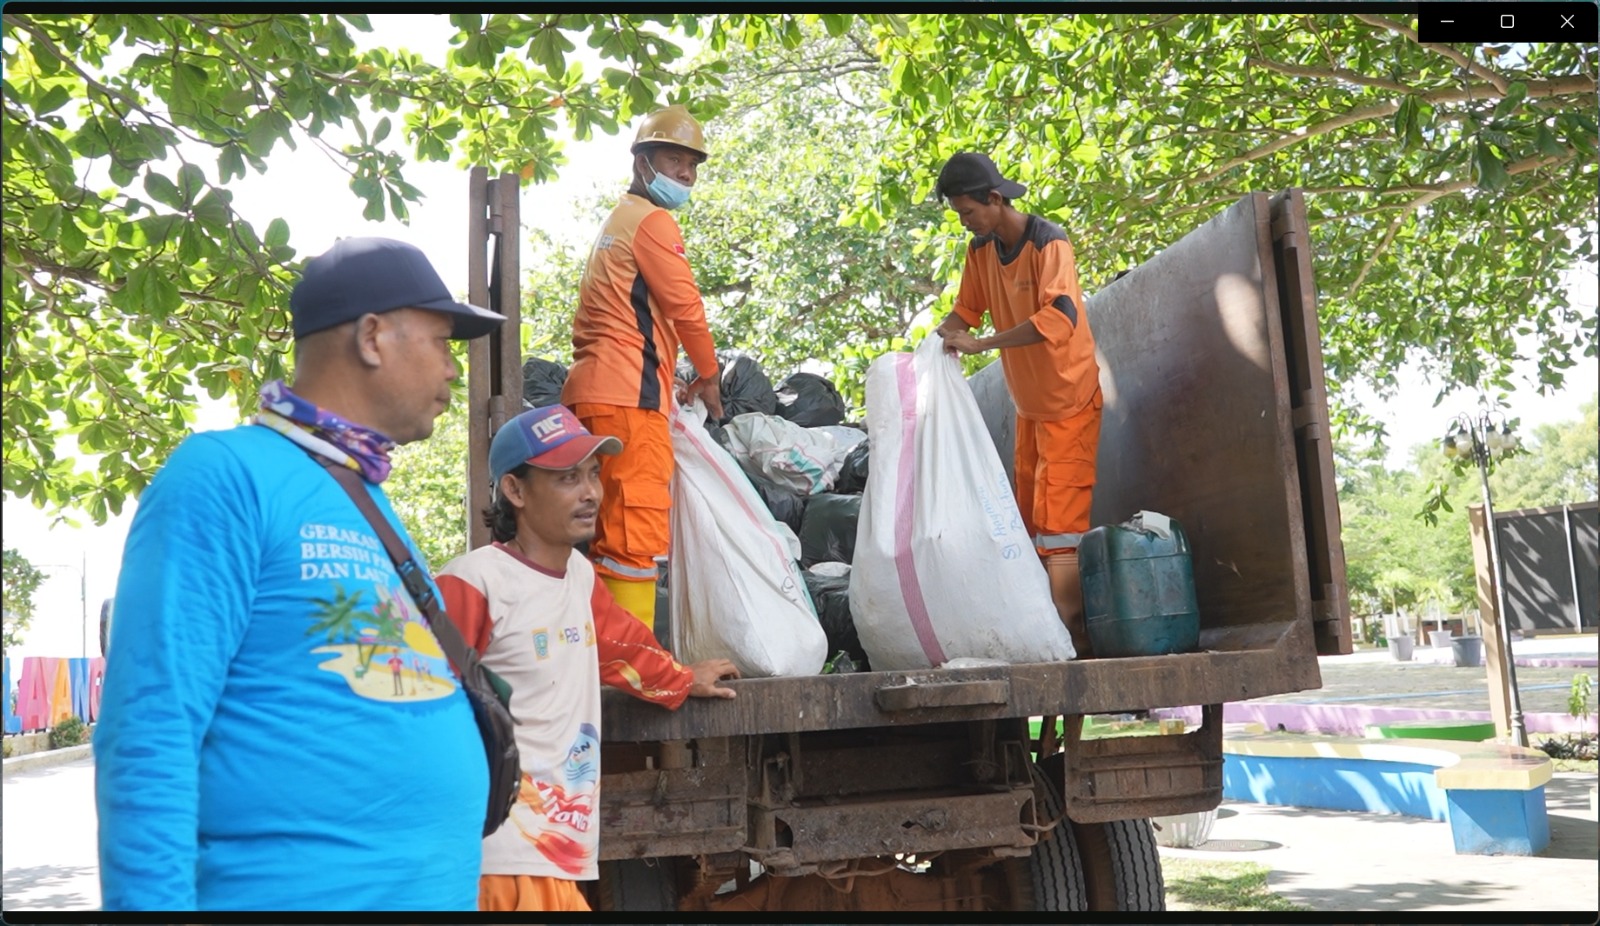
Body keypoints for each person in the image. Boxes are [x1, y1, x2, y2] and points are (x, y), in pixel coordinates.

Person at [94, 237, 506, 911]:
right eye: (441, 341)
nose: (455, 370)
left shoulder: (366, 497)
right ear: (372, 337)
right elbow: (149, 737)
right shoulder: (222, 477)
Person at [435, 404, 740, 912]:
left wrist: (683, 678)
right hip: (499, 855)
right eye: (567, 478)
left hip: (557, 853)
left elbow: (624, 648)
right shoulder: (473, 582)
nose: (591, 492)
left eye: (593, 475)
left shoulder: (579, 577)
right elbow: (421, 706)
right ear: (514, 490)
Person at [561, 105, 725, 631]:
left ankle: (602, 658)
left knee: (601, 531)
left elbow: (628, 315)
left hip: (593, 394)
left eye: (692, 164)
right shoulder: (653, 221)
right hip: (629, 402)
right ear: (644, 160)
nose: (686, 174)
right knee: (634, 532)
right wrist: (710, 374)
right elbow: (686, 308)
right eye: (674, 160)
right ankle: (630, 672)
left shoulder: (618, 221)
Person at [932, 152, 1104, 655]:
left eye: (968, 212)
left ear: (993, 198)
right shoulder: (981, 250)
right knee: (1030, 525)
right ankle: (1041, 633)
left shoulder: (1049, 242)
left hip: (1069, 399)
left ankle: (1071, 642)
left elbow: (1061, 317)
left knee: (1060, 528)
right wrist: (934, 348)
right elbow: (966, 311)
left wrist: (982, 346)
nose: (965, 222)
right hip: (1030, 407)